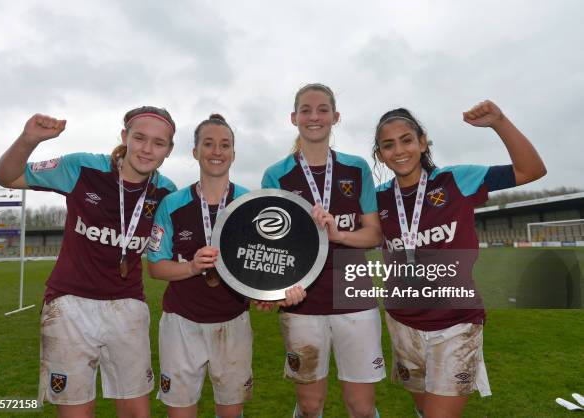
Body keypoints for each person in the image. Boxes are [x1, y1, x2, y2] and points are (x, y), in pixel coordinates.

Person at [0, 107, 177, 418]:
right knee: (75, 412)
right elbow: (7, 177)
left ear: (169, 150)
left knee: (136, 411)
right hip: (69, 305)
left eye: (159, 143)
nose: (147, 149)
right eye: (140, 138)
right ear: (125, 137)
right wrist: (28, 140)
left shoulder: (166, 192)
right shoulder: (82, 167)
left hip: (128, 305)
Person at [372, 100, 546, 418]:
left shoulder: (456, 180)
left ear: (422, 142)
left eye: (407, 140)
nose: (399, 150)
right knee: (424, 410)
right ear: (380, 153)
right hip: (402, 323)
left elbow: (531, 170)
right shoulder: (378, 197)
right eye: (388, 145)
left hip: (456, 323)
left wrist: (500, 122)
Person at [147, 114, 304, 418]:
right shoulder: (173, 203)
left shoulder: (252, 202)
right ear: (195, 152)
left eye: (225, 145)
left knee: (231, 413)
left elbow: (268, 264)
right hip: (181, 323)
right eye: (208, 144)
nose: (217, 151)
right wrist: (192, 267)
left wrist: (272, 294)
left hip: (232, 322)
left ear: (233, 153)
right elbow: (156, 267)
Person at [261, 83, 385, 418]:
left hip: (354, 298)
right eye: (306, 110)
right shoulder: (276, 174)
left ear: (335, 117)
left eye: (322, 110)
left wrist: (339, 234)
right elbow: (273, 247)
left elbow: (373, 234)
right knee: (310, 405)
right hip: (303, 301)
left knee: (361, 407)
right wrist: (274, 291)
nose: (314, 117)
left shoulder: (356, 168)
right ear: (294, 117)